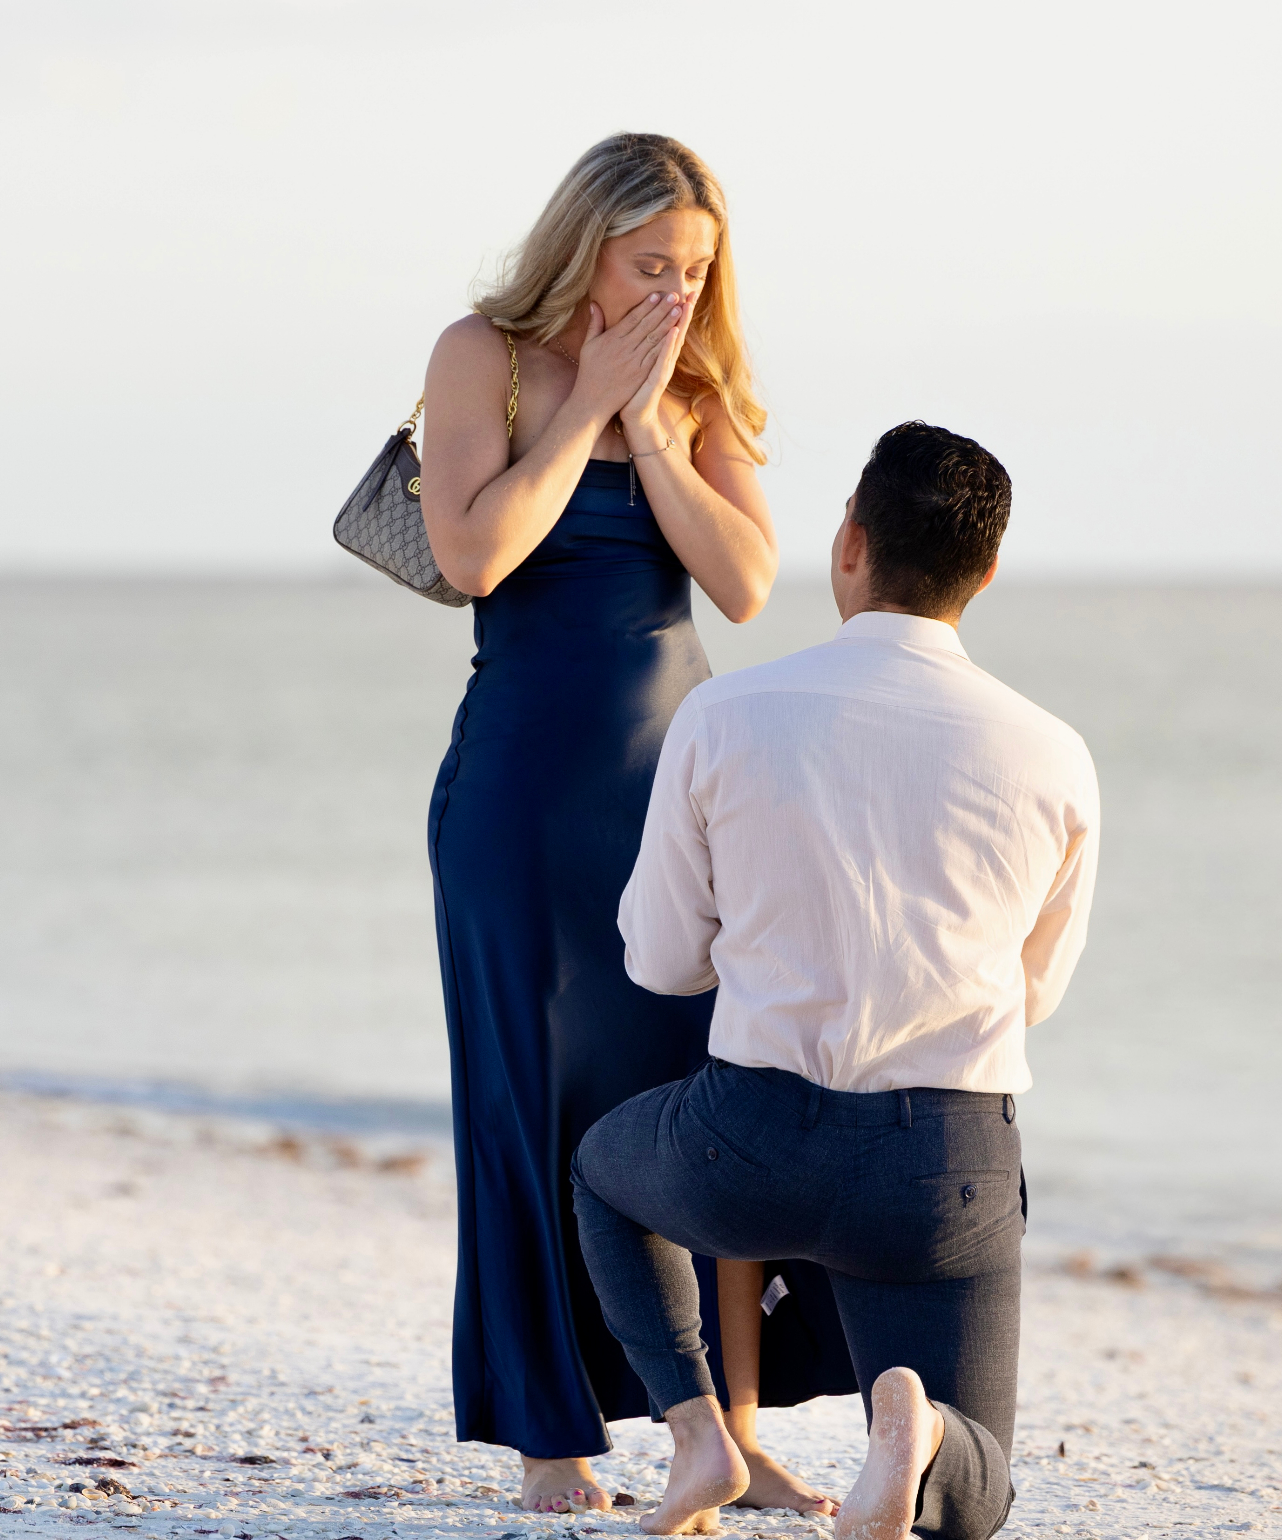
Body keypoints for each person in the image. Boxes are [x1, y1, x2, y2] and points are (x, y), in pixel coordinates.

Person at [571, 421, 1102, 1540]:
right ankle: (916, 1436)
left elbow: (662, 961)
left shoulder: (726, 715)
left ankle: (701, 1431)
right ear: (987, 573)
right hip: (939, 1169)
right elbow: (1035, 992)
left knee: (604, 1173)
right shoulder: (1053, 751)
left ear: (847, 543)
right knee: (980, 1494)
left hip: (751, 1144)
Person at [419, 132, 844, 1516]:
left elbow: (745, 582)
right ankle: (555, 1440)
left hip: (682, 790)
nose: (675, 288)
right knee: (531, 1100)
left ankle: (725, 1427)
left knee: (703, 1103)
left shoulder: (700, 384)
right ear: (584, 245)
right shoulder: (481, 354)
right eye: (651, 261)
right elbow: (475, 554)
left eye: (696, 268)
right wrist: (584, 404)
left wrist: (654, 425)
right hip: (522, 797)